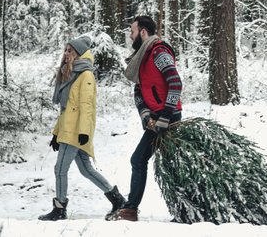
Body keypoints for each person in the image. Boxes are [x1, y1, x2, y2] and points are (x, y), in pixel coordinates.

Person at [39, 35, 126, 221]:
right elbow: (66, 110)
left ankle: (59, 208)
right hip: (68, 130)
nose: (66, 54)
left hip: (76, 132)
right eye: (65, 50)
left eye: (70, 50)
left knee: (60, 169)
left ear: (79, 53)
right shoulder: (70, 74)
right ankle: (118, 200)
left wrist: (84, 132)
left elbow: (86, 106)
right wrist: (56, 133)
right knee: (86, 170)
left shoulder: (85, 75)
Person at [113, 16, 182, 221]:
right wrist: (145, 115)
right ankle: (131, 209)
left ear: (143, 32)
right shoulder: (142, 57)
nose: (130, 36)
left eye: (132, 32)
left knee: (140, 159)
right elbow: (138, 90)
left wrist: (165, 117)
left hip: (168, 117)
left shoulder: (158, 52)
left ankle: (131, 210)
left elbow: (175, 83)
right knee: (156, 162)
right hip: (155, 118)